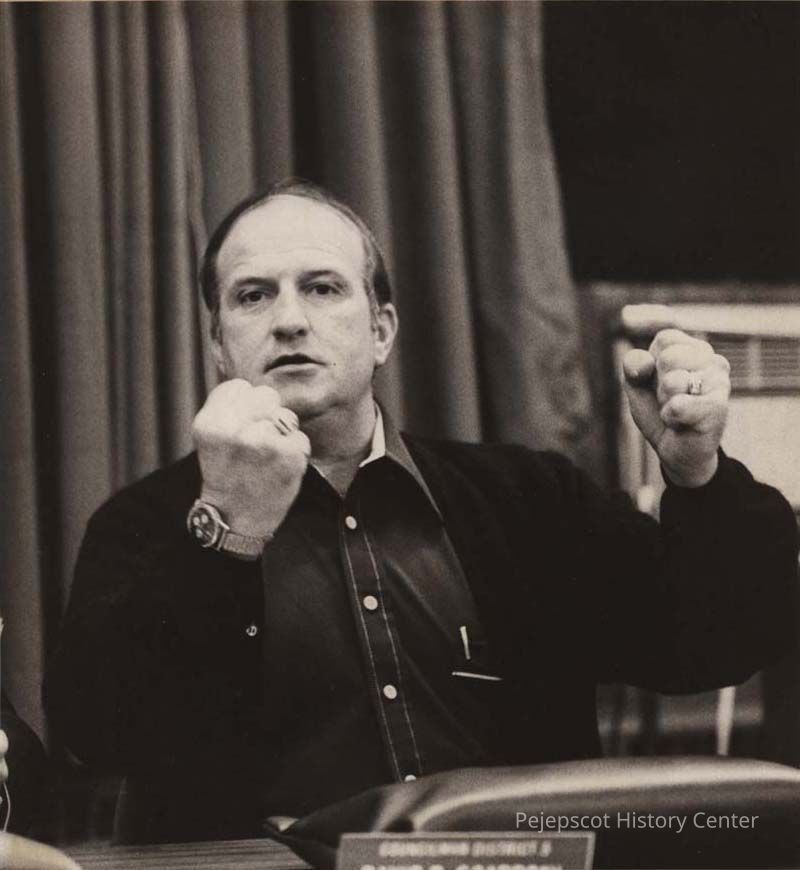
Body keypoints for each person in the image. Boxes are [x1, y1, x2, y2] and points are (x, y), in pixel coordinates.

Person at [43, 180, 799, 844]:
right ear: (218, 346)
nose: (289, 320)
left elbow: (719, 641)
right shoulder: (148, 524)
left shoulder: (525, 498)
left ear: (381, 332)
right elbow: (97, 735)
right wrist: (227, 533)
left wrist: (697, 473)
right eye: (252, 296)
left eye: (323, 288)